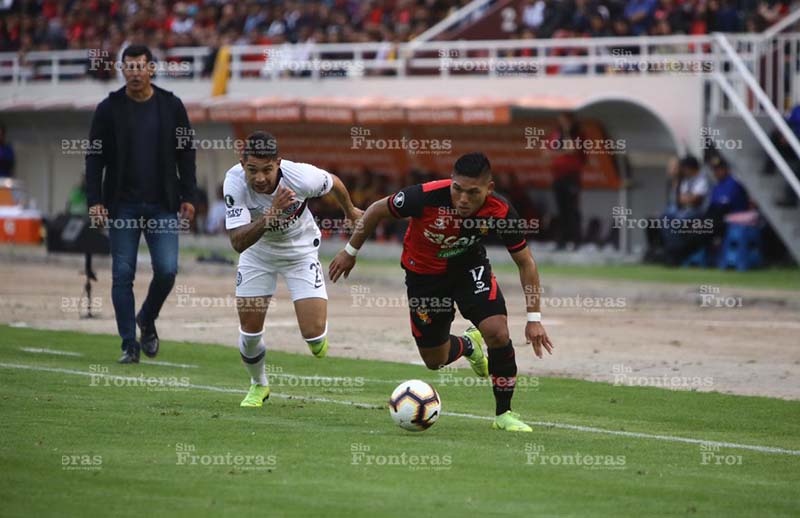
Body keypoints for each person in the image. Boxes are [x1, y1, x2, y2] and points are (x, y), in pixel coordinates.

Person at [329, 152, 554, 433]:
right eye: (457, 189)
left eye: (473, 193)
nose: (462, 199)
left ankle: (504, 413)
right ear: (451, 181)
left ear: (489, 189)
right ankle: (468, 345)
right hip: (424, 278)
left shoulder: (501, 211)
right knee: (434, 360)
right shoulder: (425, 196)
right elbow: (375, 210)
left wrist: (534, 318)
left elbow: (525, 262)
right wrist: (350, 251)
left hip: (468, 270)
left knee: (497, 332)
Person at [224, 131, 362, 408]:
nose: (260, 178)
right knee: (250, 334)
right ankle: (258, 385)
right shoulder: (234, 182)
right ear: (242, 164)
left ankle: (316, 337)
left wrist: (350, 211)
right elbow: (238, 242)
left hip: (300, 251)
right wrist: (271, 215)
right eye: (253, 170)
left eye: (267, 170)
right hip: (257, 254)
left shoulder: (301, 177)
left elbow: (333, 182)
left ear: (278, 163)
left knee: (314, 336)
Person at [86, 44, 197, 364]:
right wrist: (95, 201)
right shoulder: (109, 108)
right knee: (122, 274)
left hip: (163, 203)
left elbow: (186, 152)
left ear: (152, 69)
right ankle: (128, 344)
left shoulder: (171, 105)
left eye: (140, 67)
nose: (135, 73)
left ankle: (146, 319)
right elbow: (94, 157)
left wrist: (189, 195)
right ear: (122, 71)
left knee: (167, 270)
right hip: (122, 206)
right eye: (129, 67)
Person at [549, 112, 585, 250]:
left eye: (566, 121)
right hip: (558, 176)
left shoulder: (578, 135)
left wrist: (567, 131)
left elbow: (572, 149)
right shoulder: (556, 134)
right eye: (562, 120)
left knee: (572, 209)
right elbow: (547, 152)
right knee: (561, 209)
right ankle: (562, 240)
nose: (563, 123)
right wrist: (560, 152)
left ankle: (576, 240)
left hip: (572, 177)